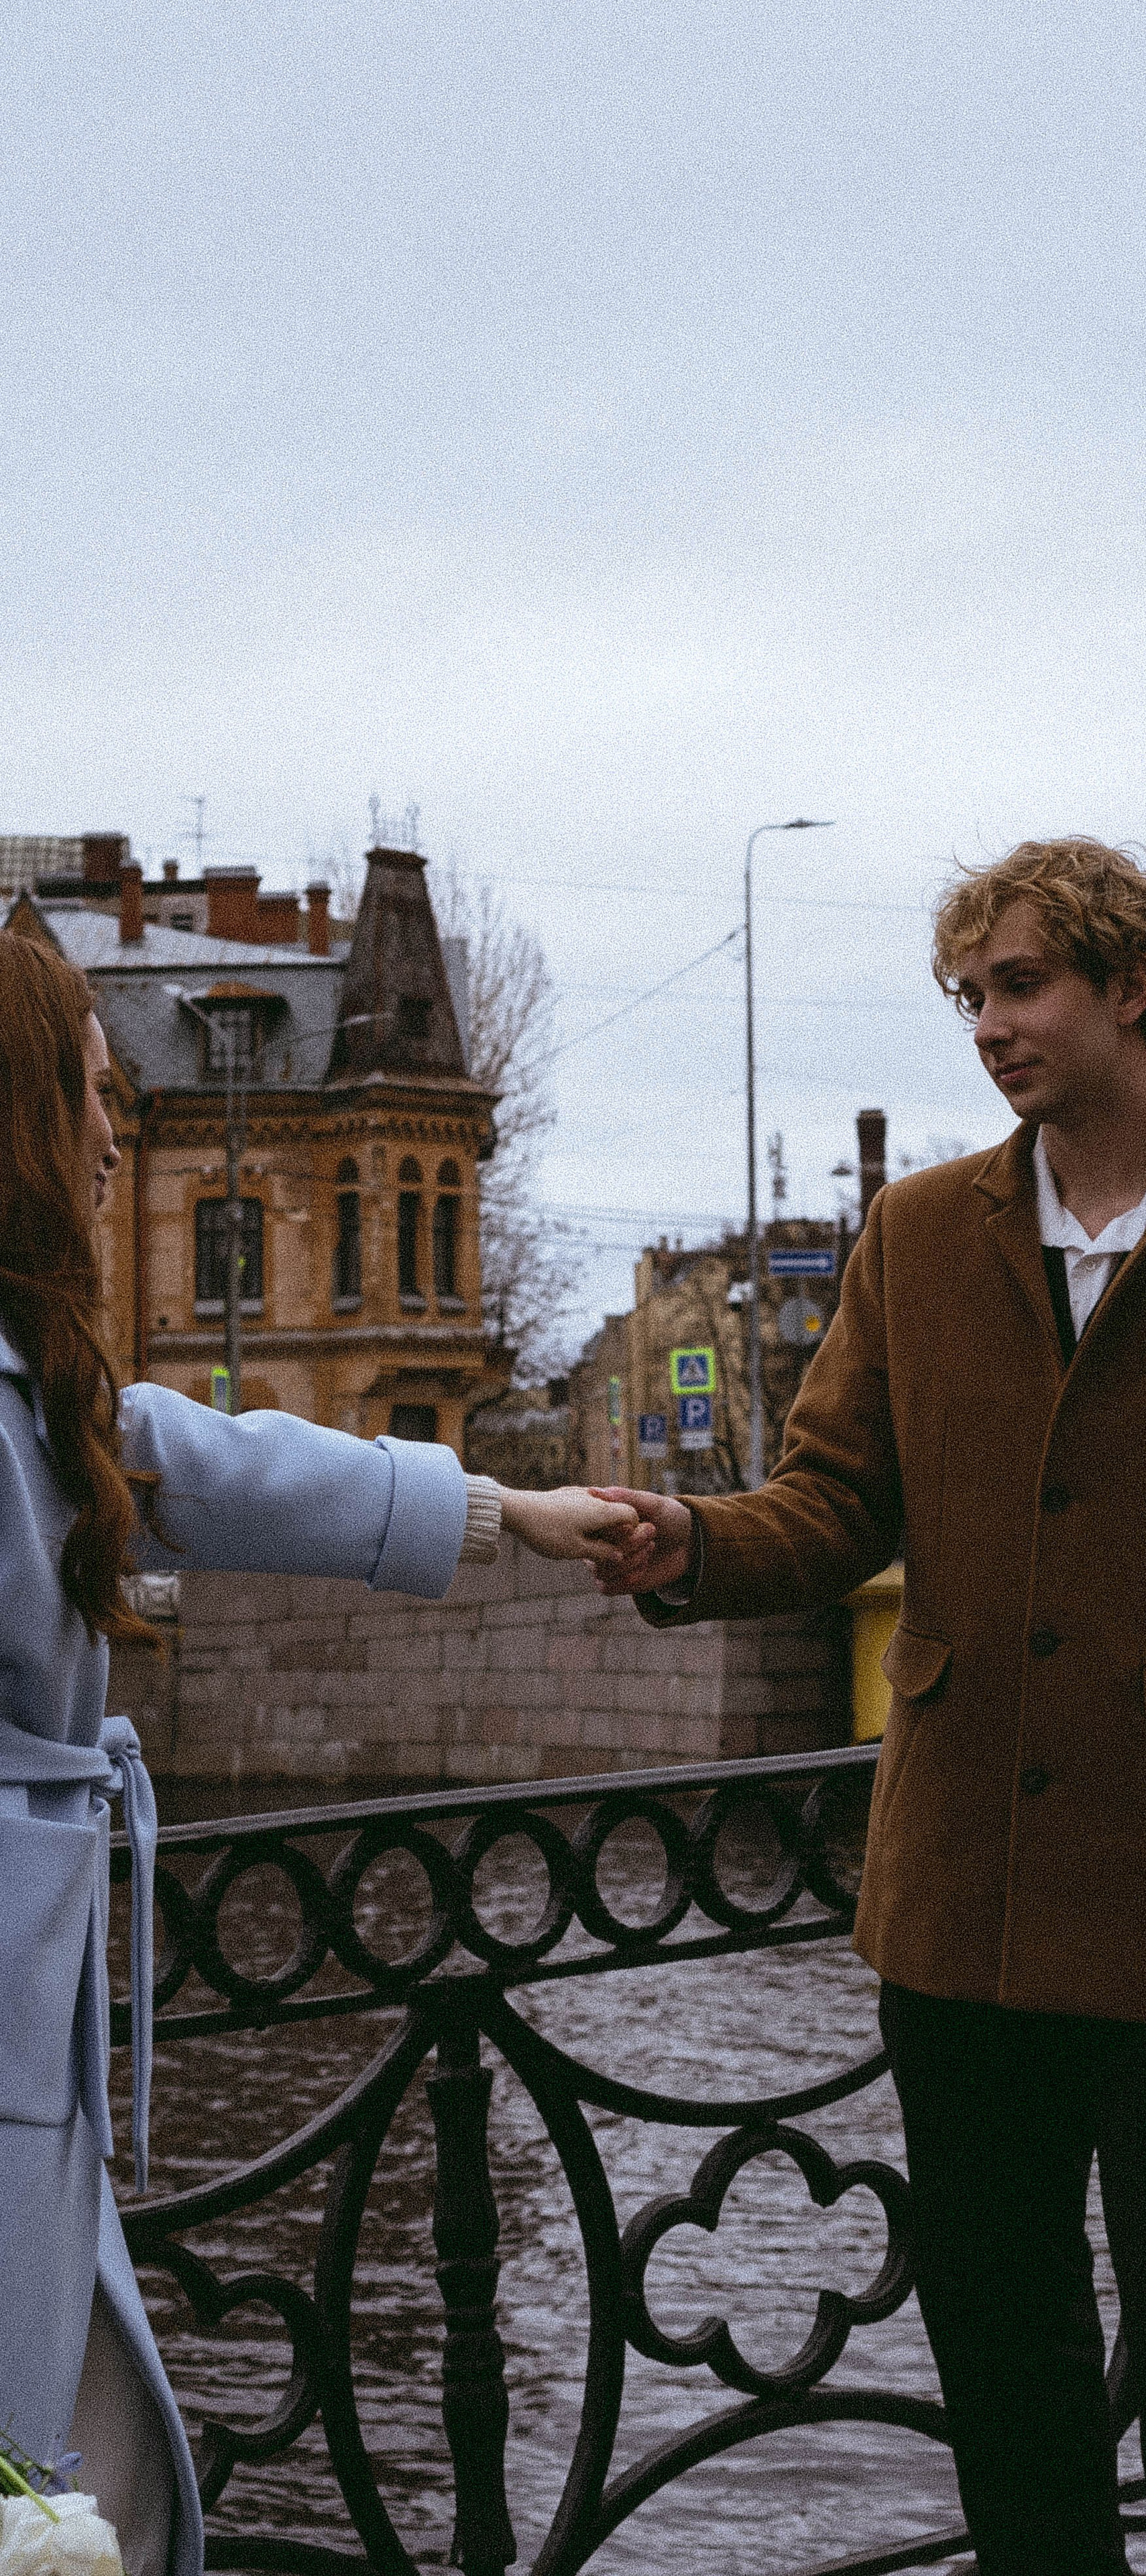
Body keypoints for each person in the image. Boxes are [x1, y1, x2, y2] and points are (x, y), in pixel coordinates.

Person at [591, 838, 1146, 2576]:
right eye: (969, 995)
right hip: (956, 1891)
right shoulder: (917, 1237)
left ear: (1132, 987)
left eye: (1021, 984)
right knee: (1002, 2342)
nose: (988, 1024)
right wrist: (696, 1540)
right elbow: (838, 1500)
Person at [0, 929, 638, 2576]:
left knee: (89, 2476)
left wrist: (500, 1510)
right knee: (63, 2484)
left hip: (34, 2027)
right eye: (89, 1094)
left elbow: (210, 1460)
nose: (110, 1135)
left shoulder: (33, 1385)